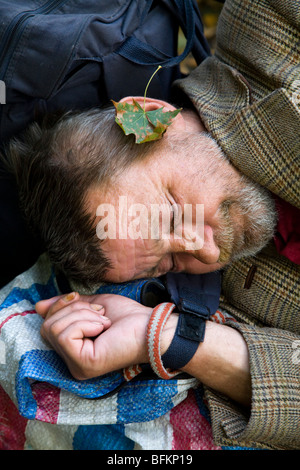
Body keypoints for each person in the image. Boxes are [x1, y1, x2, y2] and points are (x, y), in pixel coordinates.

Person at [2, 0, 300, 450]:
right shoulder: (236, 304)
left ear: (150, 116)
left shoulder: (275, 21)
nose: (206, 252)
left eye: (174, 214)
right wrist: (162, 336)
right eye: (170, 262)